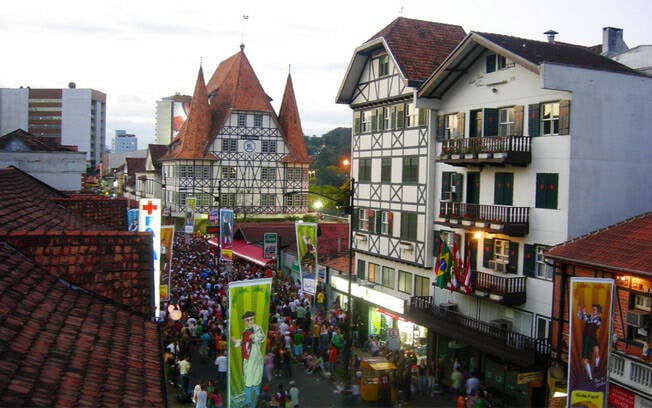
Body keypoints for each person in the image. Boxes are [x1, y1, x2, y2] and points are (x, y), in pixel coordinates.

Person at [232, 311, 265, 408]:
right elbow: (242, 342)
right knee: (249, 379)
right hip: (246, 358)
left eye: (251, 319)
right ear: (245, 322)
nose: (249, 321)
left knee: (249, 381)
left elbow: (262, 337)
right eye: (247, 320)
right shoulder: (244, 332)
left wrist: (254, 336)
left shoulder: (257, 328)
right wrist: (235, 340)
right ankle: (258, 396)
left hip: (253, 358)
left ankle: (248, 401)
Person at [577, 303, 603, 382]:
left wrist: (584, 313)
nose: (592, 310)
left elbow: (589, 321)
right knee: (585, 360)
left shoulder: (598, 319)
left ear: (598, 311)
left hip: (592, 338)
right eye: (592, 309)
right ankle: (591, 377)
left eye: (594, 309)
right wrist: (579, 310)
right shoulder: (588, 316)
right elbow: (580, 317)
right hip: (586, 338)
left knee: (597, 351)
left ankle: (596, 366)